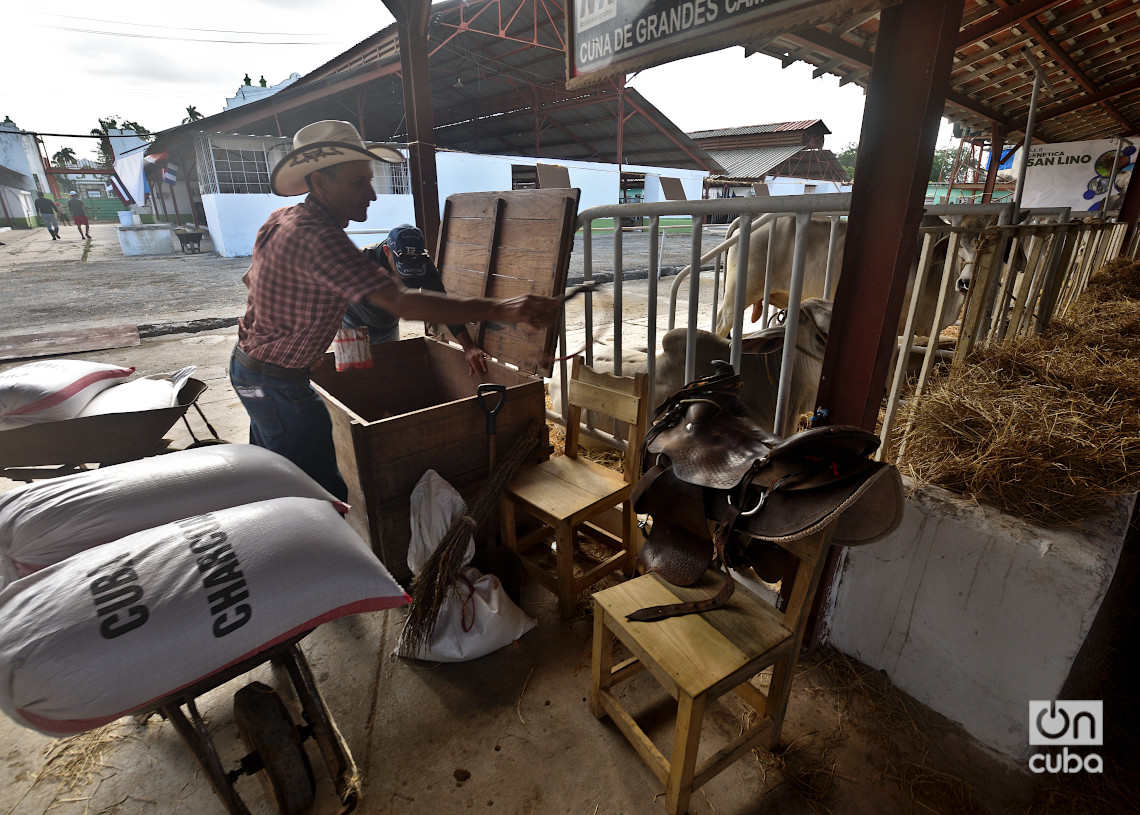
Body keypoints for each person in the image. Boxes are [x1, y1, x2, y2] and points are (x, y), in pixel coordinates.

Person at [230, 120, 560, 501]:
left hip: (252, 368)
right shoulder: (322, 238)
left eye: (370, 181)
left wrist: (290, 321)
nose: (371, 194)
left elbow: (249, 281)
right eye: (358, 183)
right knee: (321, 496)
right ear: (320, 182)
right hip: (277, 382)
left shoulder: (282, 220)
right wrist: (507, 308)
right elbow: (403, 303)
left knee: (271, 473)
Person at [342, 224, 488, 375]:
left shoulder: (424, 263)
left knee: (387, 372)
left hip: (388, 326)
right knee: (355, 375)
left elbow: (442, 306)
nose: (407, 277)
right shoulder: (362, 260)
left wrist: (469, 347)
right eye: (402, 267)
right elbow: (329, 296)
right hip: (353, 324)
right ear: (387, 251)